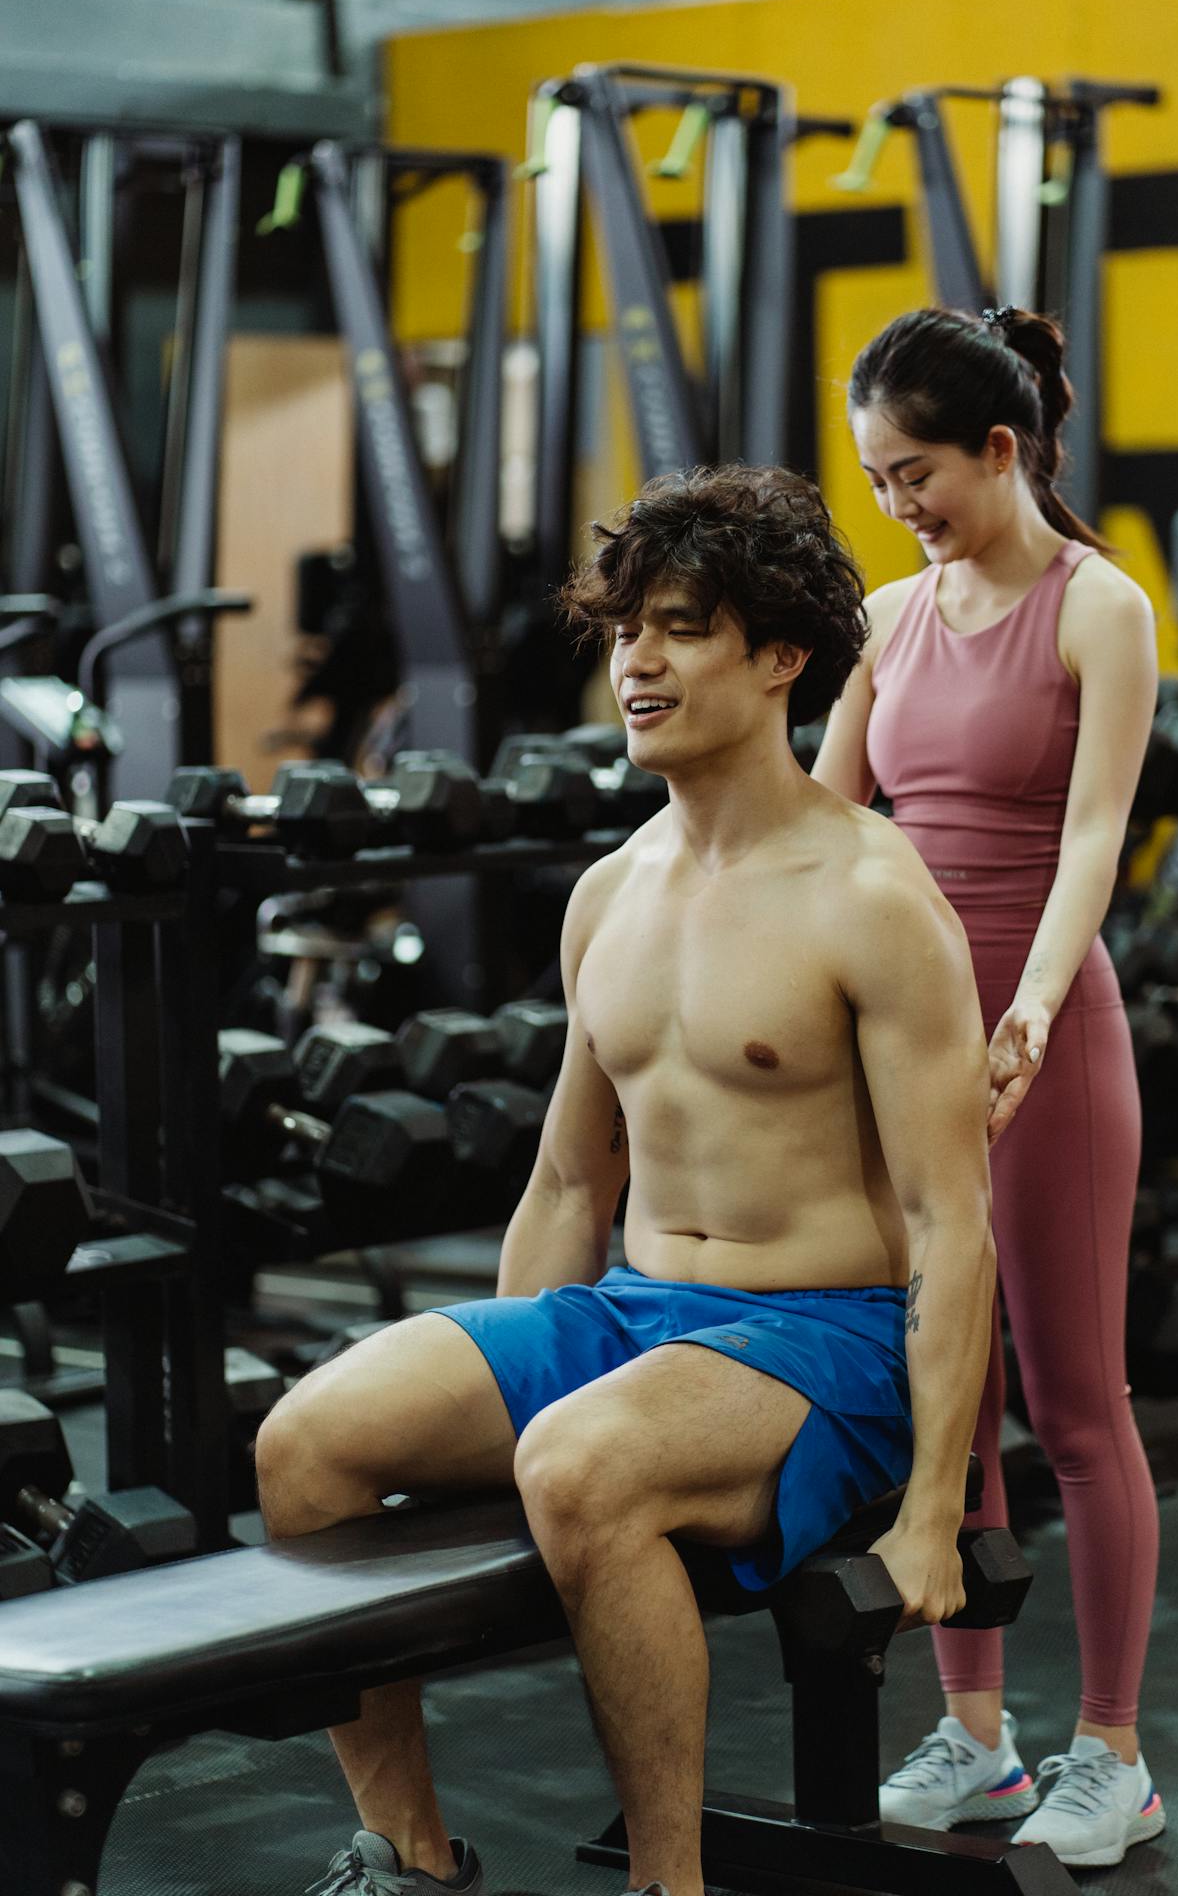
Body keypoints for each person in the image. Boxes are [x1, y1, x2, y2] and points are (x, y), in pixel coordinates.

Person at [254, 462, 998, 1896]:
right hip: (635, 1311)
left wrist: (932, 1510)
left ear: (780, 658)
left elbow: (949, 1219)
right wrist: (511, 1372)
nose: (636, 664)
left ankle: (671, 1885)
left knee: (582, 1462)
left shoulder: (871, 896)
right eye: (623, 631)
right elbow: (562, 1183)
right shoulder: (611, 893)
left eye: (680, 629)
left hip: (824, 1338)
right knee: (307, 1444)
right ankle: (409, 1859)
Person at [813, 305, 1163, 1871]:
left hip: (1044, 1039)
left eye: (917, 473)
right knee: (947, 1401)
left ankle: (1113, 1753)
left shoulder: (1100, 606)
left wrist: (1023, 1008)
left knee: (1075, 1404)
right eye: (877, 479)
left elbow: (1091, 835)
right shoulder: (887, 618)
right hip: (908, 1046)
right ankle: (976, 1737)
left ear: (1000, 448)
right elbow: (825, 822)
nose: (897, 505)